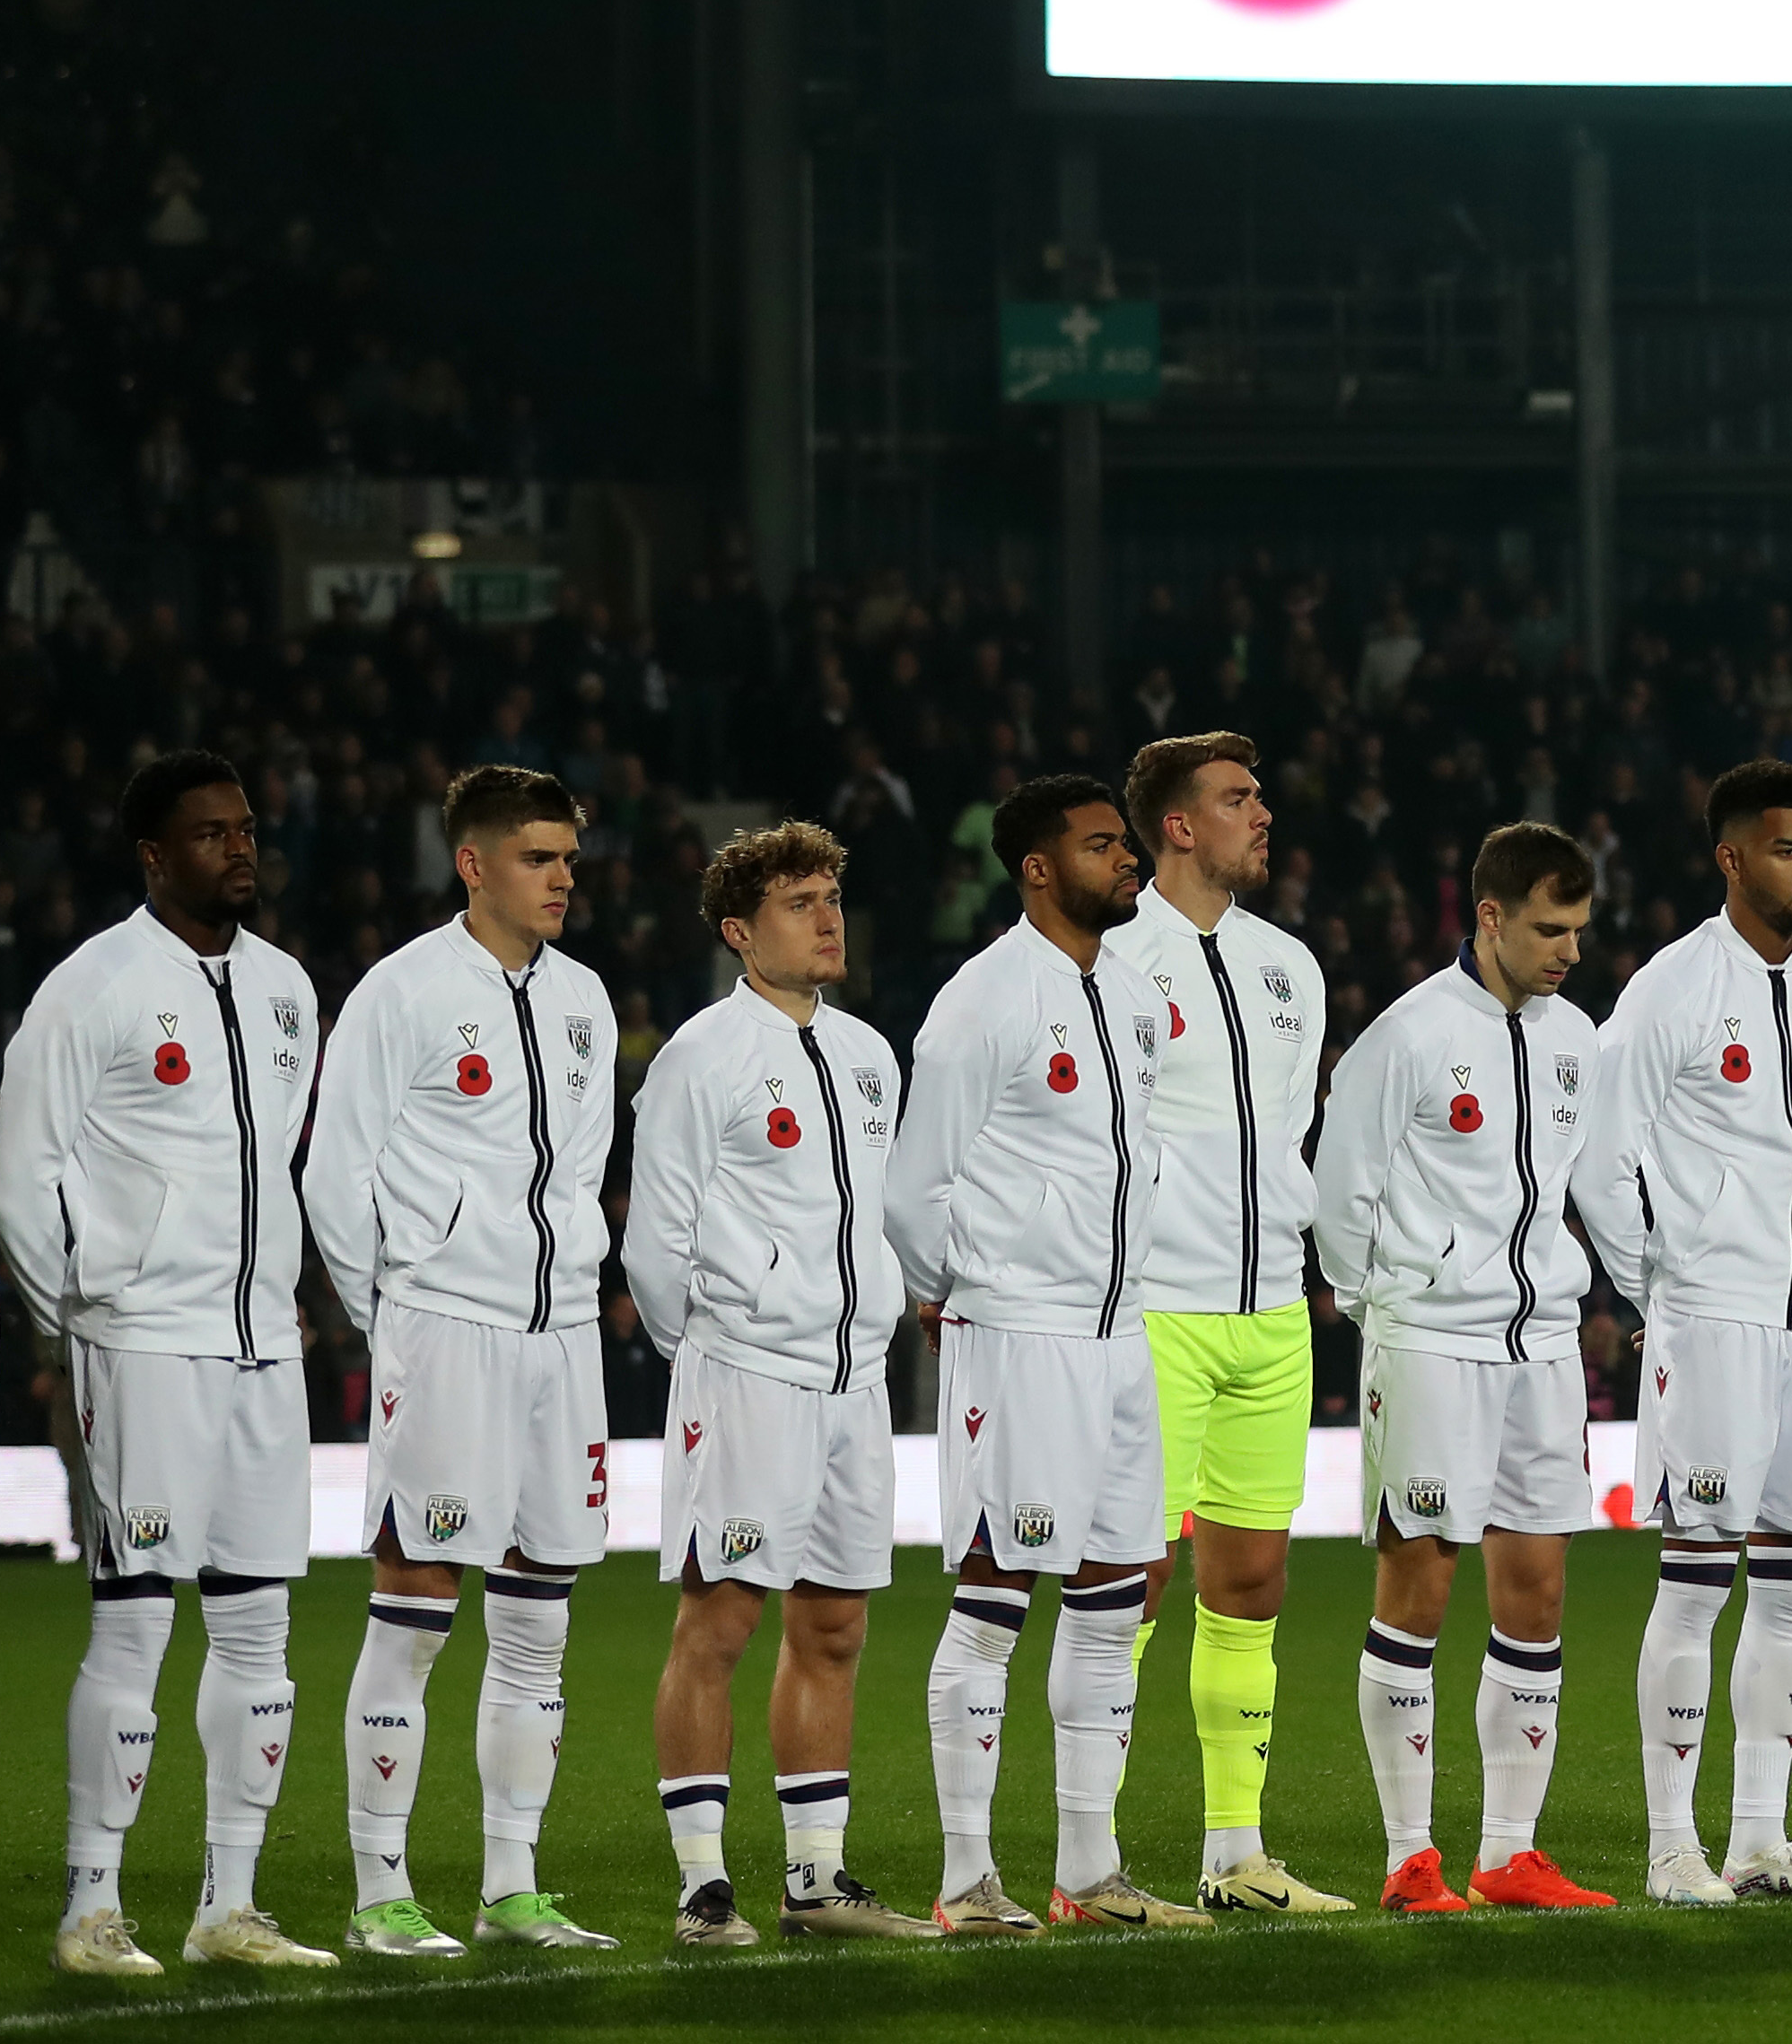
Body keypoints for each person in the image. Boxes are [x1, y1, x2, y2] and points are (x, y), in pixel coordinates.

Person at [0, 752, 331, 1977]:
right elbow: (17, 1174)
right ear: (152, 852)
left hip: (258, 1347)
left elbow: (285, 1166)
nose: (237, 848)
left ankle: (227, 1902)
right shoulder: (92, 985)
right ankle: (91, 1906)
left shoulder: (287, 987)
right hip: (140, 1343)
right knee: (134, 1624)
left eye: (244, 828)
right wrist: (85, 1303)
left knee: (259, 1632)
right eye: (207, 834)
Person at [301, 765, 624, 1955]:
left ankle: (511, 1884)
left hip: (561, 1339)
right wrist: (389, 1309)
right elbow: (336, 1172)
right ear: (473, 862)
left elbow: (579, 1173)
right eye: (539, 857)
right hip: (444, 1328)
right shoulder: (402, 990)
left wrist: (578, 1277)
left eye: (569, 859)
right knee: (417, 1607)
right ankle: (381, 1887)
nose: (562, 879)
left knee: (540, 1615)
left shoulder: (584, 999)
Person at [888, 773, 1201, 1934]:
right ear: (1035, 866)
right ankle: (968, 1874)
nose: (1126, 860)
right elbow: (916, 1181)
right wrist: (959, 1288)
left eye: (1123, 841)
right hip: (1018, 1333)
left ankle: (1089, 1866)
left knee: (1116, 1594)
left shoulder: (1126, 990)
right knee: (992, 1598)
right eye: (1101, 844)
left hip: (1121, 1332)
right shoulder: (981, 998)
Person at [627, 822, 944, 1946]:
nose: (827, 916)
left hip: (855, 1379)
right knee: (716, 1622)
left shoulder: (866, 1054)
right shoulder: (700, 1056)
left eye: (832, 896)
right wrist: (724, 1346)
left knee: (837, 1623)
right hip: (750, 1374)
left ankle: (814, 1881)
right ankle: (703, 1884)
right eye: (800, 900)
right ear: (738, 930)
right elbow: (656, 1244)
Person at [1576, 760, 1792, 1905]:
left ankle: (1761, 1838)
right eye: (1788, 849)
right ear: (1731, 856)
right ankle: (1669, 1847)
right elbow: (1602, 1158)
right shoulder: (1669, 990)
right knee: (1697, 1579)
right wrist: (1664, 1286)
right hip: (1714, 1319)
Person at [1314, 821, 1616, 1915]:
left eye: (1578, 928)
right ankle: (1409, 1854)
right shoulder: (1404, 1036)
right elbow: (1340, 1197)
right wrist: (1390, 1309)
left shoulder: (1577, 1036)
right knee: (1421, 1583)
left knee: (1536, 1589)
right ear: (1487, 916)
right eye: (1548, 928)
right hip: (1434, 1340)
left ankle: (1509, 1851)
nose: (1568, 949)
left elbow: (1580, 1182)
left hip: (1541, 1345)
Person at [1100, 732, 1349, 1917]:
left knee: (1249, 1578)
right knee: (1127, 1579)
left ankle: (1233, 1850)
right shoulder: (1112, 958)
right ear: (1176, 826)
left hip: (1271, 1306)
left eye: (1261, 792)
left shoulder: (1288, 964)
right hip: (1157, 1306)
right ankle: (1085, 1855)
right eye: (1237, 798)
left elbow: (1289, 1138)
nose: (1263, 812)